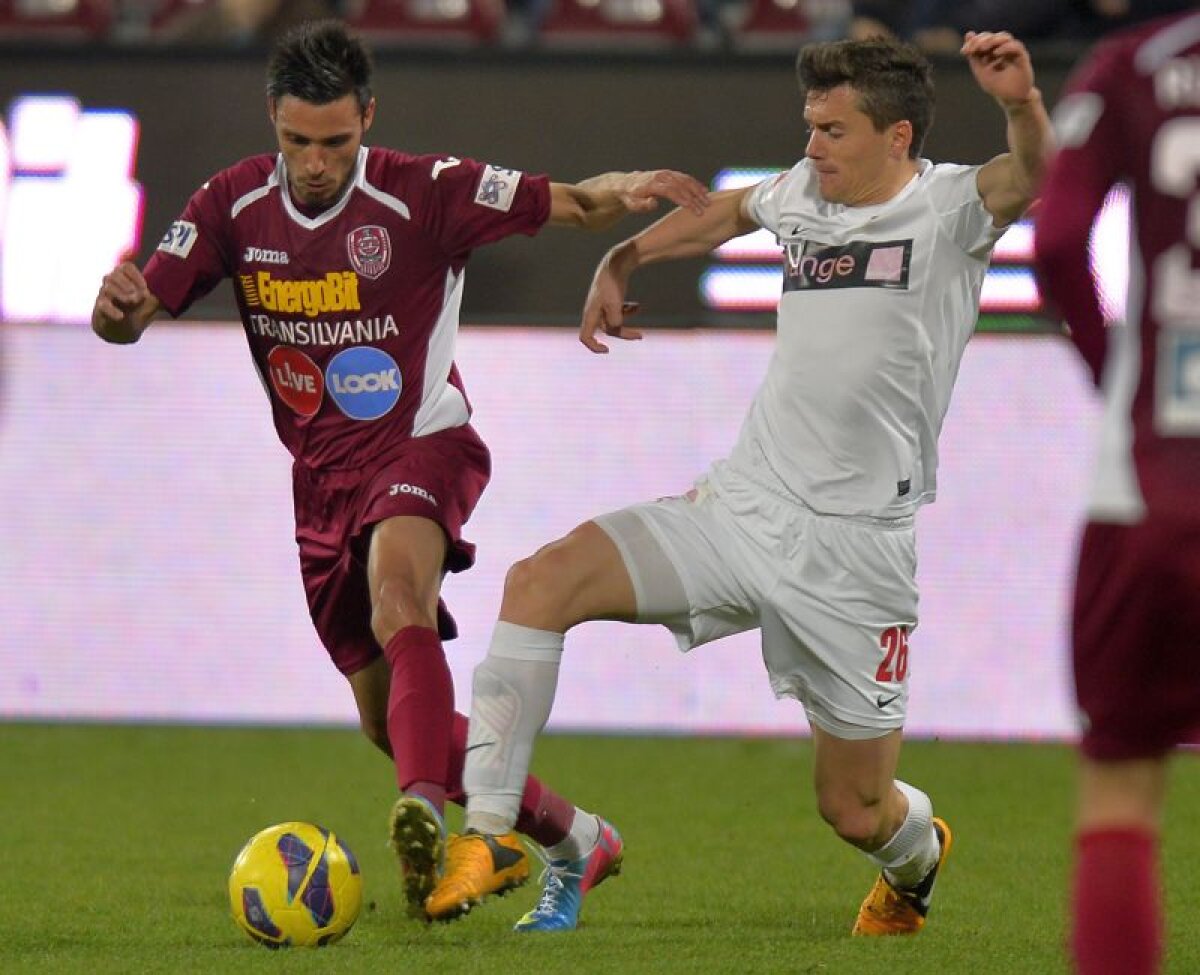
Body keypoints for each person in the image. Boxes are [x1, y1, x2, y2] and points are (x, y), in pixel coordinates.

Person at [428, 31, 1053, 934]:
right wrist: (626, 257)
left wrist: (1020, 102)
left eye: (833, 130)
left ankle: (916, 856)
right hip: (743, 509)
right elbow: (727, 212)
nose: (811, 147)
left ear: (898, 137)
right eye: (810, 126)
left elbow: (1032, 174)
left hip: (857, 553)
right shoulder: (805, 191)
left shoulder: (951, 208)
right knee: (540, 582)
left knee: (856, 810)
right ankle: (488, 832)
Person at [90, 18, 709, 928]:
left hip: (422, 444)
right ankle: (579, 836)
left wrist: (623, 187)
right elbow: (133, 313)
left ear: (368, 119)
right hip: (319, 485)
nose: (315, 163)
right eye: (298, 141)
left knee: (398, 597)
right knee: (386, 721)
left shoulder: (427, 191)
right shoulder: (231, 204)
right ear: (273, 119)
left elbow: (573, 202)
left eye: (336, 142)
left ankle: (424, 812)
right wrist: (117, 308)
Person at [1033, 10, 1200, 974]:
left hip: (1148, 489)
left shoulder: (1131, 66)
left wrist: (1114, 374)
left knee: (1123, 786)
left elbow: (1058, 242)